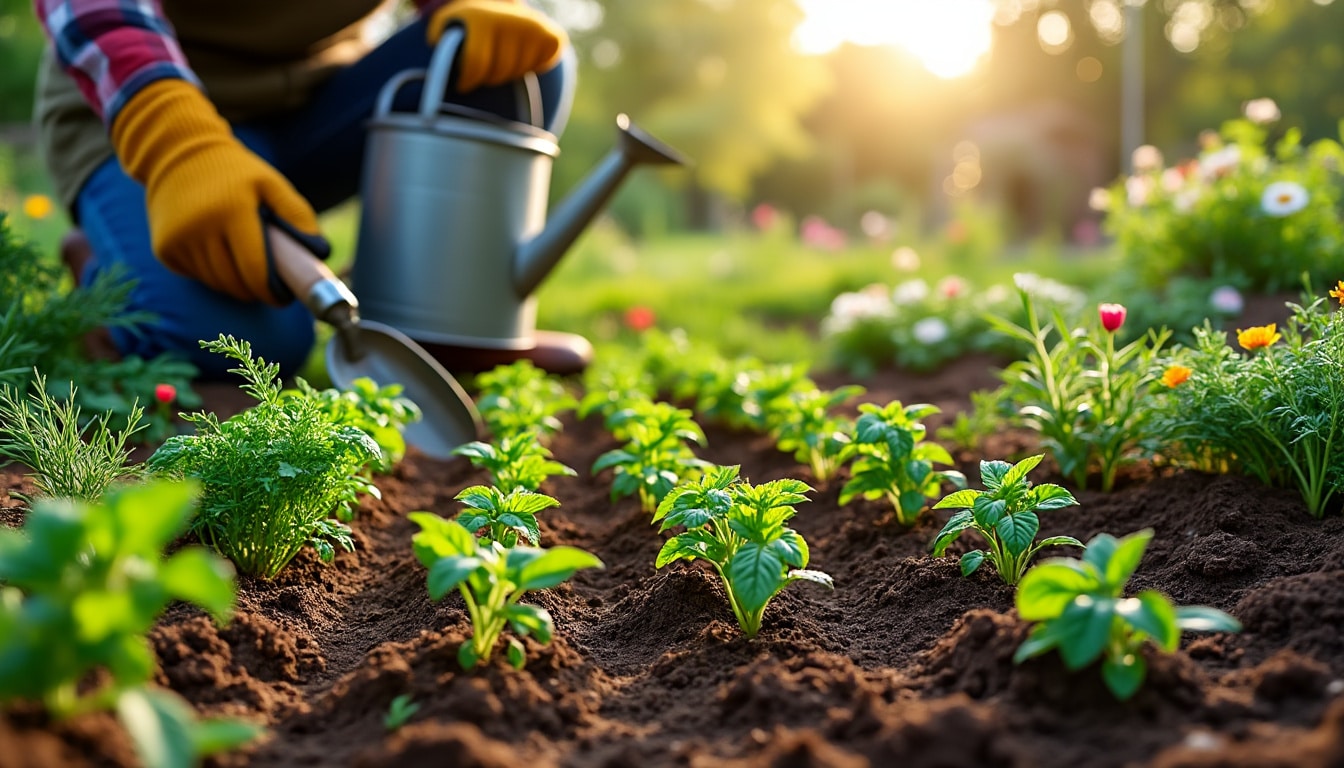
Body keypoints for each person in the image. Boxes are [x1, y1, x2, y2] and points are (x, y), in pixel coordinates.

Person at [33, 0, 589, 379]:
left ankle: (443, 331)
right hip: (142, 107)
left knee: (521, 65)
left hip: (316, 104)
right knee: (246, 345)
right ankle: (106, 267)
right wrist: (173, 139)